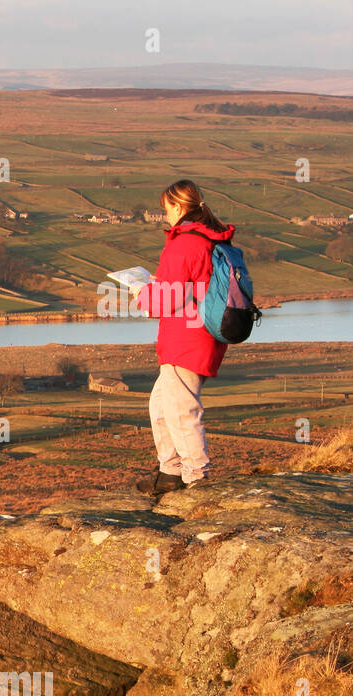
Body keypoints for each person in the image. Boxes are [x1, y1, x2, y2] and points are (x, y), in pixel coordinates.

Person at [132, 180, 236, 495]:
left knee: (181, 411)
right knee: (161, 406)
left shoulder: (186, 243)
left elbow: (163, 301)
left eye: (166, 210)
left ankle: (196, 477)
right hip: (199, 334)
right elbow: (189, 286)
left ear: (178, 207)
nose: (165, 217)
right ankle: (170, 470)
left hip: (186, 338)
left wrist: (141, 292)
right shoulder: (208, 239)